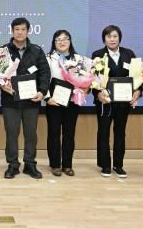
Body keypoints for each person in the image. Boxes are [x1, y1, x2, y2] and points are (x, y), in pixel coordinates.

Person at [0, 17, 50, 179]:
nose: (20, 32)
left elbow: (45, 73)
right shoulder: (3, 51)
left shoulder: (37, 50)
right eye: (16, 29)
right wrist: (1, 85)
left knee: (31, 135)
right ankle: (13, 165)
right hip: (10, 101)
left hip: (31, 101)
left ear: (28, 31)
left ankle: (30, 164)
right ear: (12, 31)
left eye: (23, 29)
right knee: (11, 134)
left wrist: (42, 92)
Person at [91, 25, 141, 178]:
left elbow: (137, 76)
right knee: (103, 132)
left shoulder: (129, 54)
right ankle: (105, 165)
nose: (112, 39)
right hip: (105, 102)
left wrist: (138, 91)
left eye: (115, 36)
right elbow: (93, 79)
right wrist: (98, 94)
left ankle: (118, 165)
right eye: (109, 36)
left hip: (123, 102)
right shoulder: (98, 55)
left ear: (119, 38)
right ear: (104, 39)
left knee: (120, 132)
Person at [45, 29, 82, 177]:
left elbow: (85, 79)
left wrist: (84, 89)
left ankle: (67, 165)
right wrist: (47, 98)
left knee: (69, 134)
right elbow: (43, 80)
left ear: (70, 41)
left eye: (65, 39)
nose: (62, 42)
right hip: (54, 102)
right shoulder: (48, 58)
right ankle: (55, 165)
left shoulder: (78, 59)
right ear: (54, 43)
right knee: (53, 133)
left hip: (72, 102)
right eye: (58, 39)